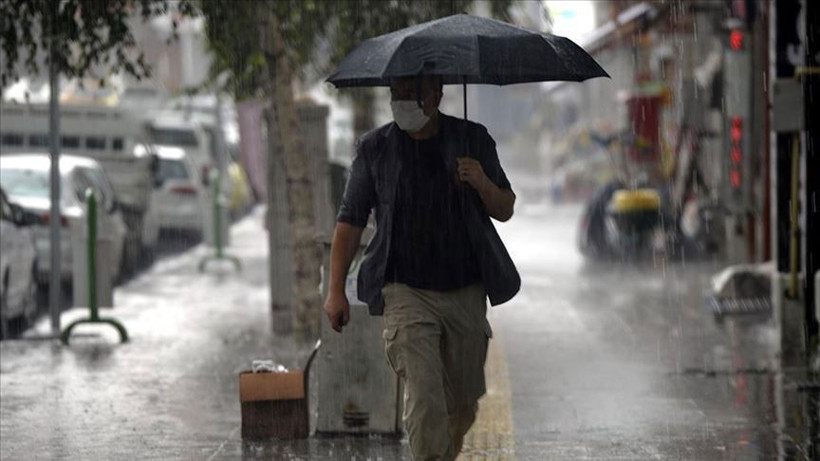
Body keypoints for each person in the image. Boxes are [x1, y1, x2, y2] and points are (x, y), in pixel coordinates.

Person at [323, 75, 520, 460]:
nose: (401, 102)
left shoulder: (472, 140)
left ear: (435, 95)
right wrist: (334, 291)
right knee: (425, 395)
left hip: (464, 290)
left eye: (409, 94)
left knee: (462, 402)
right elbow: (349, 222)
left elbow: (505, 207)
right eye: (395, 94)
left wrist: (480, 181)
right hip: (405, 291)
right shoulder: (375, 149)